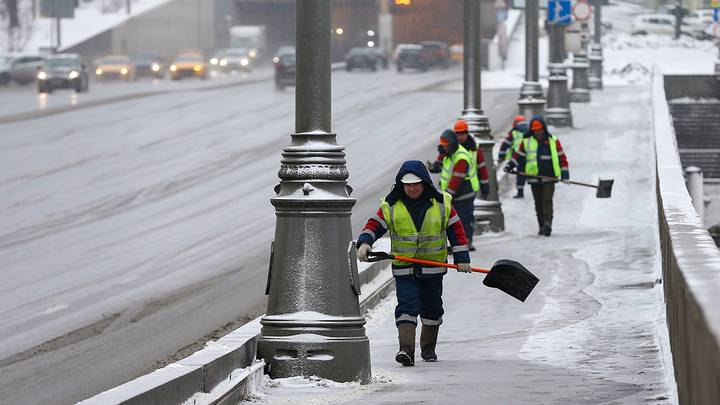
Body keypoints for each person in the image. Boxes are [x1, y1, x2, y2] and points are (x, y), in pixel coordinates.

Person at [356, 160, 471, 366]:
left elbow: (457, 232)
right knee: (407, 306)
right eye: (407, 184)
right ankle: (406, 350)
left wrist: (462, 259)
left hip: (433, 268)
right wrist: (365, 243)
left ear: (425, 182)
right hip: (405, 269)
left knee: (432, 308)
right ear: (401, 185)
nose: (412, 188)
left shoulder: (442, 203)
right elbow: (374, 225)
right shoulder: (391, 206)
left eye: (416, 184)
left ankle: (428, 348)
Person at [505, 116, 569, 236]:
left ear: (544, 129)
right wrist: (510, 165)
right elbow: (518, 156)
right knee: (538, 203)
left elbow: (562, 158)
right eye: (535, 130)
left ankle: (548, 223)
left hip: (549, 177)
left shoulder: (553, 141)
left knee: (547, 201)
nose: (537, 132)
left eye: (539, 130)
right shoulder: (527, 141)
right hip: (533, 177)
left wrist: (565, 174)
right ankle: (541, 225)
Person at [427, 120, 487, 250]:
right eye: (458, 134)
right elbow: (441, 162)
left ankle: (465, 244)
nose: (460, 136)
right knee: (453, 220)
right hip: (452, 193)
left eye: (463, 133)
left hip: (464, 192)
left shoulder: (462, 156)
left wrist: (444, 196)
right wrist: (434, 166)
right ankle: (457, 244)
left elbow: (457, 179)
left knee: (465, 219)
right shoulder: (449, 149)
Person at [498, 115, 529, 198]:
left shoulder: (513, 132)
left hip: (518, 156)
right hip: (530, 156)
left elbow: (505, 145)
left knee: (521, 174)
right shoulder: (530, 131)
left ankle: (520, 192)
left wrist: (501, 156)